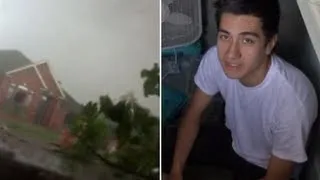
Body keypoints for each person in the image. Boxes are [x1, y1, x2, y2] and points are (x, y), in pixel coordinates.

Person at [162, 0, 318, 179]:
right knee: (158, 145)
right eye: (225, 36)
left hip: (265, 164)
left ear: (269, 44)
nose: (231, 54)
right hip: (234, 139)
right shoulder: (215, 59)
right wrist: (176, 171)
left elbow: (277, 176)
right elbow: (192, 115)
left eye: (247, 40)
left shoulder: (292, 99)